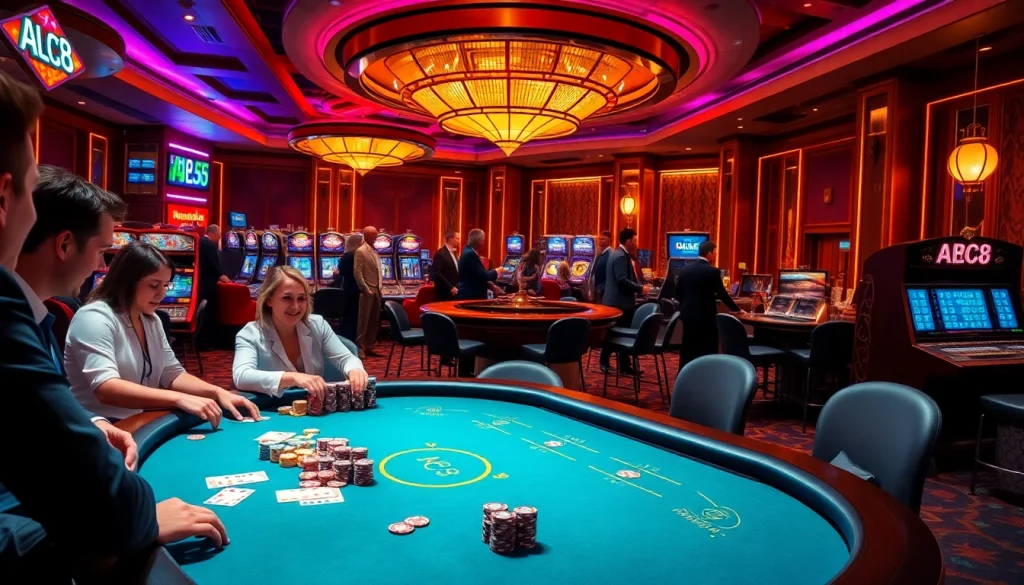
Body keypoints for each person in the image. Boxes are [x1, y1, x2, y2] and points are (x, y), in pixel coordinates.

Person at [0, 71, 227, 580]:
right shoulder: (15, 311)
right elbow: (107, 509)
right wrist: (141, 516)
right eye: (32, 191)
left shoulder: (34, 313)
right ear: (5, 196)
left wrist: (96, 426)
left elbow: (29, 430)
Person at [65, 241, 261, 423]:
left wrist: (218, 392)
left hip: (137, 420)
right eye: (154, 285)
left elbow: (172, 374)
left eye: (165, 285)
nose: (163, 293)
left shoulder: (151, 320)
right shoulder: (94, 317)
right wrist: (179, 399)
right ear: (126, 281)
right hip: (97, 427)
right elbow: (106, 388)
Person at [233, 265, 369, 398]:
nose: (296, 306)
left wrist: (355, 370)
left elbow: (346, 358)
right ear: (269, 300)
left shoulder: (318, 325)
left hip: (315, 410)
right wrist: (293, 378)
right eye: (287, 298)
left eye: (301, 298)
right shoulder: (249, 334)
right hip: (271, 410)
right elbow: (241, 376)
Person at [674, 240, 744, 370]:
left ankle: (684, 375)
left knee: (688, 347)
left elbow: (677, 294)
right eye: (715, 253)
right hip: (705, 317)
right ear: (710, 254)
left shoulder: (684, 270)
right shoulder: (713, 272)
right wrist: (737, 309)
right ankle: (706, 375)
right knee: (707, 348)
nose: (716, 255)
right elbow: (722, 294)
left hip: (688, 315)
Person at [600, 228, 652, 374]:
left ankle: (624, 365)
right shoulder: (621, 256)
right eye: (635, 241)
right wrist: (641, 289)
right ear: (628, 241)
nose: (636, 244)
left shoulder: (617, 253)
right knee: (615, 334)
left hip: (616, 301)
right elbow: (622, 280)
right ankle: (605, 361)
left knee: (618, 334)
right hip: (619, 303)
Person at [198, 224, 231, 344]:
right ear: (211, 234)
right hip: (209, 284)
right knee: (209, 312)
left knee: (203, 311)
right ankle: (206, 341)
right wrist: (221, 275)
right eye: (218, 235)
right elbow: (212, 264)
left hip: (200, 283)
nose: (219, 238)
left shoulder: (200, 242)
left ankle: (201, 338)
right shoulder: (210, 245)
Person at [353, 226, 382, 357]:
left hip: (377, 289)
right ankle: (360, 347)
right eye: (374, 234)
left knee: (373, 320)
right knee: (363, 320)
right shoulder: (361, 251)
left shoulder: (374, 251)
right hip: (368, 289)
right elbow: (357, 272)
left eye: (376, 234)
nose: (376, 236)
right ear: (366, 235)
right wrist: (364, 288)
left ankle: (370, 345)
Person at [457, 228, 503, 300]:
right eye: (484, 239)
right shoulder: (470, 254)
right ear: (480, 241)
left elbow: (476, 275)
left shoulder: (468, 251)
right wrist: (497, 270)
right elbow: (483, 276)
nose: (484, 241)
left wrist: (490, 284)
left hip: (469, 294)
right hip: (471, 296)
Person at [332, 233, 362, 343]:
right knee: (355, 317)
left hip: (348, 289)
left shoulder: (347, 256)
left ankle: (346, 340)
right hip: (359, 289)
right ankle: (354, 341)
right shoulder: (360, 255)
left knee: (348, 316)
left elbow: (342, 273)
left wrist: (336, 274)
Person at [431, 230, 460, 301]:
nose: (459, 241)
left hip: (454, 291)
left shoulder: (454, 253)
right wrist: (450, 287)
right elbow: (437, 273)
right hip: (444, 293)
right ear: (450, 239)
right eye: (457, 239)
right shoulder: (440, 253)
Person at [591, 230, 612, 300]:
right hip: (601, 288)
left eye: (603, 239)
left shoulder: (609, 254)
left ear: (609, 241)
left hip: (603, 289)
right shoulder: (603, 253)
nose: (600, 241)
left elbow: (599, 273)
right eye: (599, 239)